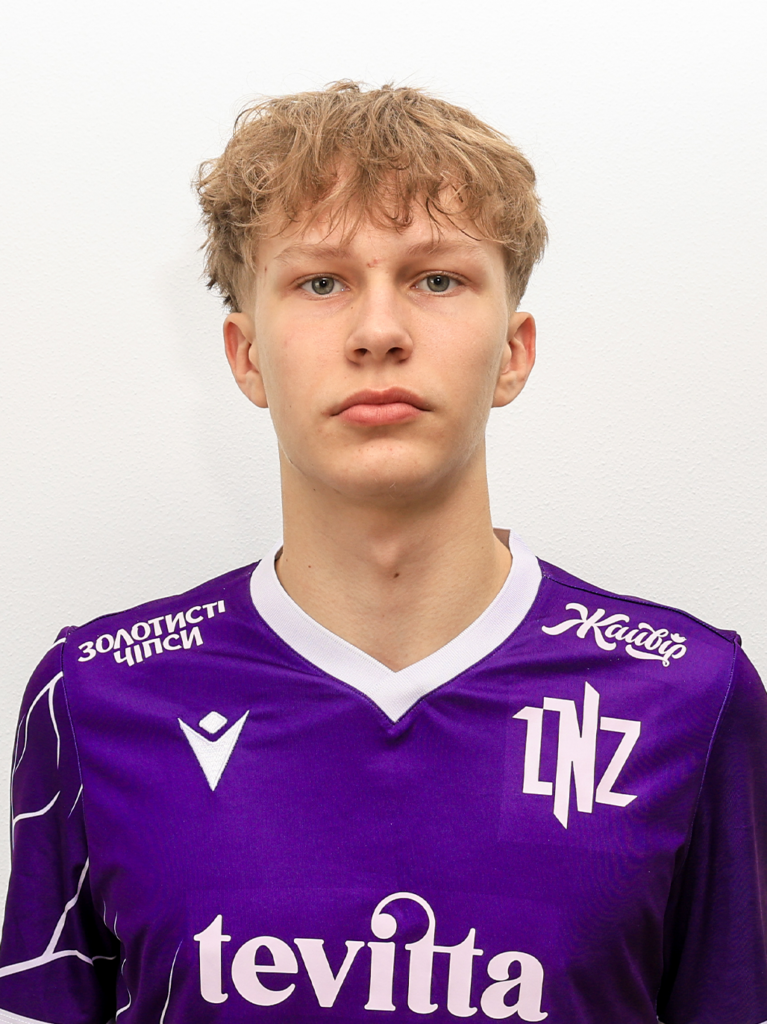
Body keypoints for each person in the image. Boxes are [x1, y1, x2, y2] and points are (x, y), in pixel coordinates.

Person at [0, 81, 764, 1024]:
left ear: (513, 352)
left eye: (435, 279)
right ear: (246, 356)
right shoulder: (96, 696)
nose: (378, 333)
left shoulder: (689, 696)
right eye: (320, 283)